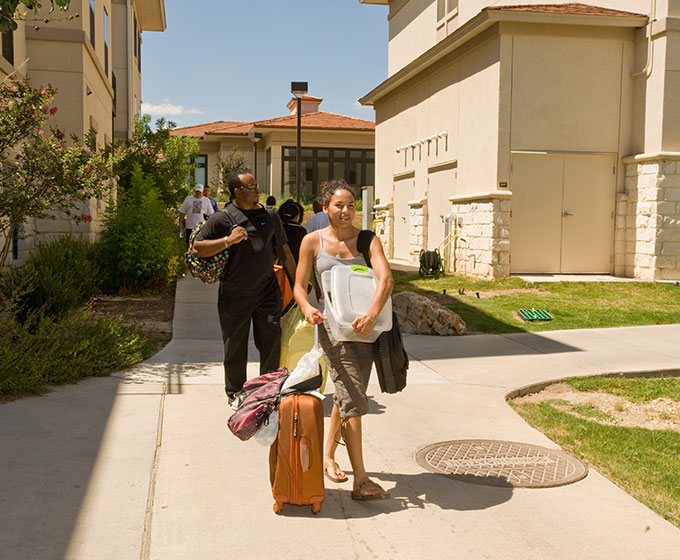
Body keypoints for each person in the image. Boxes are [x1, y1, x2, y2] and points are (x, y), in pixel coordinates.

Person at [293, 179, 393, 501]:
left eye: (351, 205)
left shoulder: (367, 240)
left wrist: (373, 315)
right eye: (339, 205)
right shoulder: (312, 242)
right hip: (333, 332)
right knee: (353, 398)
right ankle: (361, 479)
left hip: (366, 330)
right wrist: (308, 307)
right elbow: (299, 285)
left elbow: (386, 279)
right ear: (325, 208)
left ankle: (327, 457)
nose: (346, 211)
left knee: (347, 395)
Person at [193, 172, 296, 409]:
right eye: (252, 186)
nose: (257, 189)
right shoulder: (223, 218)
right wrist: (228, 240)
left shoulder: (269, 215)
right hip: (234, 294)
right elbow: (198, 247)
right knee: (235, 346)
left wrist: (298, 286)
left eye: (257, 185)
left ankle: (267, 391)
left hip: (267, 291)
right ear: (237, 191)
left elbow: (285, 251)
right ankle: (235, 392)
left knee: (271, 341)